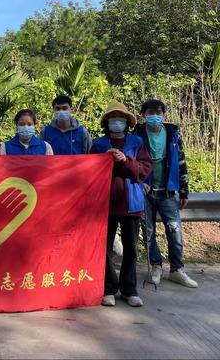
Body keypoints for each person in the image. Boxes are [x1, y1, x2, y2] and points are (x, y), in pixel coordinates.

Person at [91, 101, 152, 308]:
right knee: (105, 249)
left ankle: (129, 289)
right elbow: (89, 171)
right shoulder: (98, 144)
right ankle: (109, 289)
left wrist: (125, 160)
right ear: (107, 122)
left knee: (131, 249)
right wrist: (103, 160)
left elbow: (145, 169)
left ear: (127, 122)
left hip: (131, 204)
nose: (117, 121)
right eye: (112, 118)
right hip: (105, 205)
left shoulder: (136, 143)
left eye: (121, 118)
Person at [135, 99, 198, 288]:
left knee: (174, 230)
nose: (155, 115)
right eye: (151, 112)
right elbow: (133, 161)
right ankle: (156, 266)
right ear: (143, 115)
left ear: (164, 114)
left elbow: (181, 161)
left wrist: (184, 190)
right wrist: (138, 184)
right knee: (148, 231)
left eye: (159, 112)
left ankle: (177, 269)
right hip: (145, 190)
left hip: (168, 191)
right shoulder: (137, 134)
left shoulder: (172, 134)